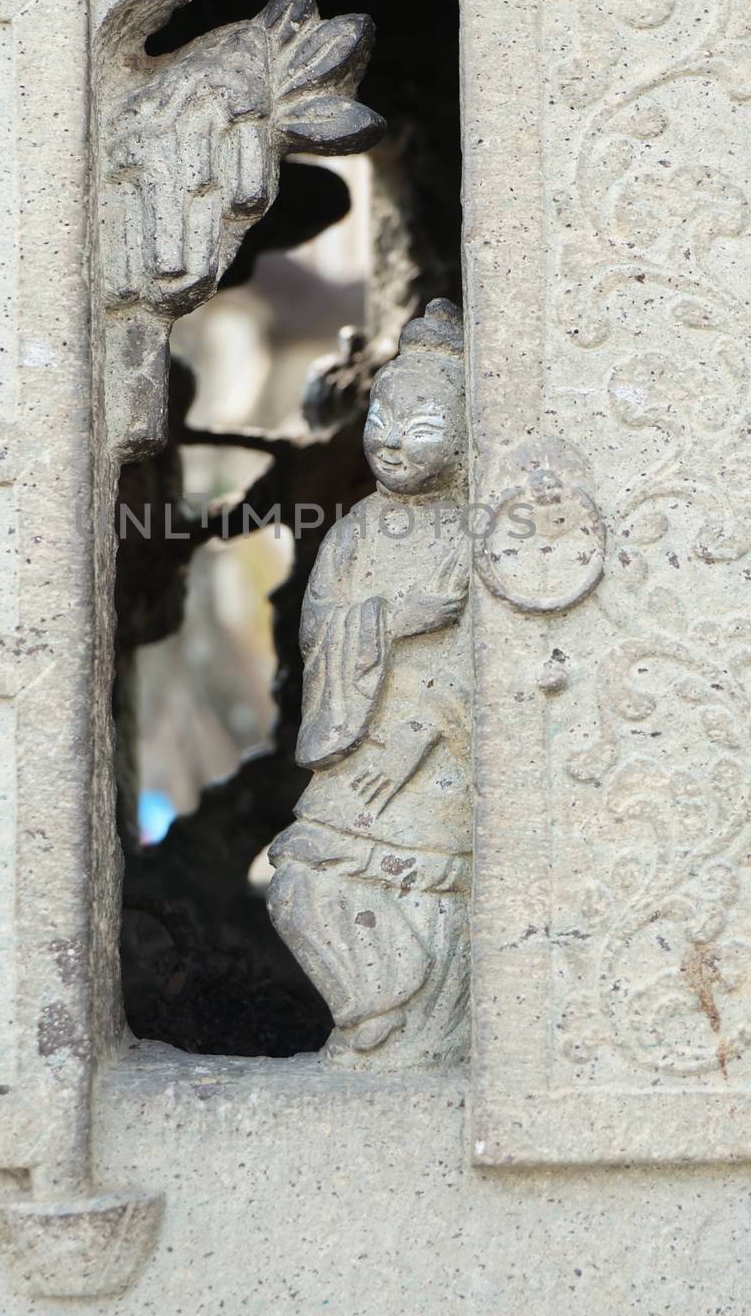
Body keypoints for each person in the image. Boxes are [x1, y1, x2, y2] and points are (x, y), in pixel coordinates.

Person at [268, 300, 472, 1069]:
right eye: (381, 422)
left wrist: (418, 740)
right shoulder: (355, 528)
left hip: (429, 755)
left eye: (421, 430)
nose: (390, 443)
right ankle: (372, 1007)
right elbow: (320, 624)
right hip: (357, 737)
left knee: (430, 896)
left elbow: (483, 651)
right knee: (301, 881)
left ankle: (413, 1035)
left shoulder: (475, 527)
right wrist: (389, 619)